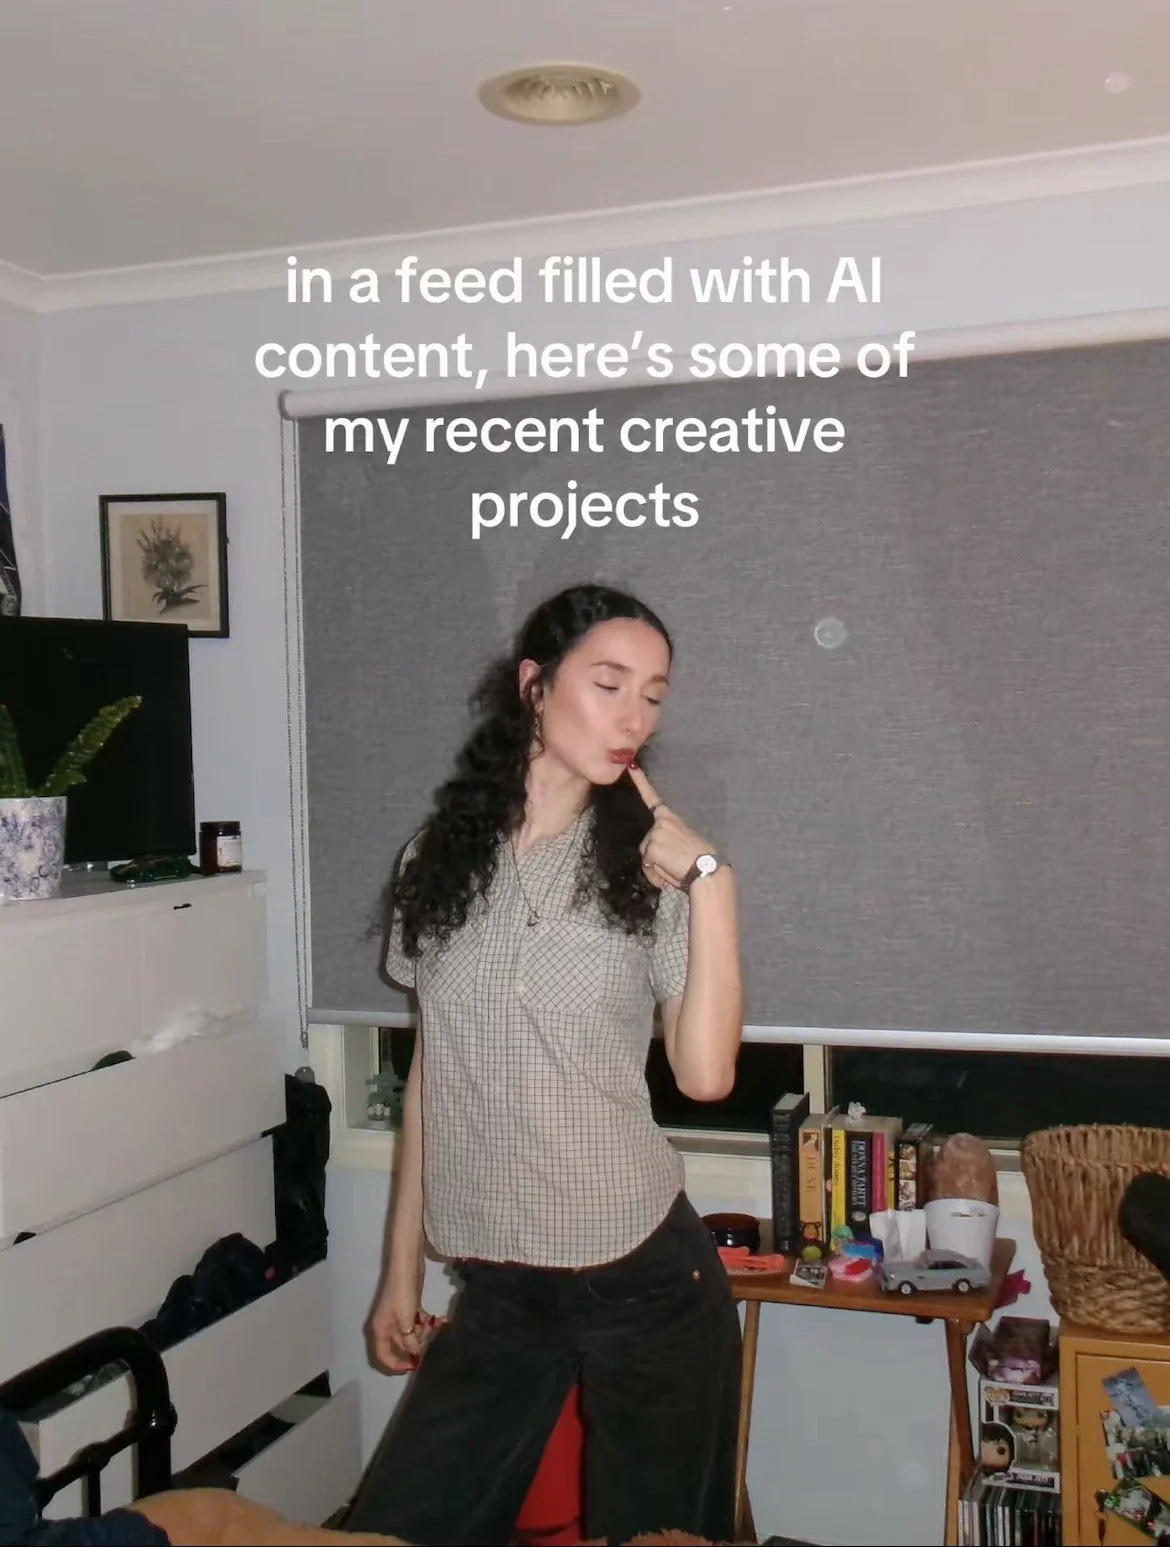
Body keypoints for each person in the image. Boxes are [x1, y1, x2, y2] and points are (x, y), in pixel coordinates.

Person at [345, 583, 744, 1546]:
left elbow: (705, 1078)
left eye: (653, 694)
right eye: (609, 684)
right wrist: (400, 1270)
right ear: (534, 685)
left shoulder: (650, 869)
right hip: (500, 1284)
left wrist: (713, 886)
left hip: (645, 1279)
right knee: (397, 1525)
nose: (635, 717)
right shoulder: (438, 859)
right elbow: (435, 1074)